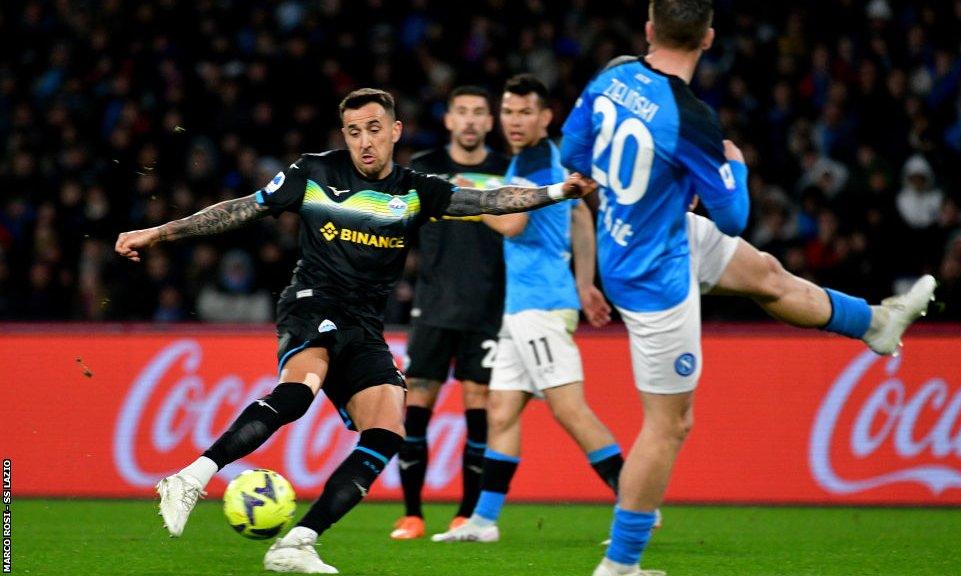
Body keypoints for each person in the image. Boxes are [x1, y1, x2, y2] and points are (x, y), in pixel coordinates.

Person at [114, 87, 596, 574]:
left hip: (365, 324)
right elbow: (239, 209)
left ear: (395, 131)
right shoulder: (315, 172)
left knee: (388, 430)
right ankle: (191, 478)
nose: (364, 141)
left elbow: (489, 200)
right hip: (312, 302)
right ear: (343, 135)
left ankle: (297, 542)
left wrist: (557, 191)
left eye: (373, 129)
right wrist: (157, 233)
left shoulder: (415, 190)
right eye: (353, 132)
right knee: (300, 391)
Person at [558, 2, 937, 575]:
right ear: (709, 38)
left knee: (766, 274)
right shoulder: (693, 120)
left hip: (653, 235)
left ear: (648, 29)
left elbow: (574, 158)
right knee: (669, 426)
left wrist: (641, 192)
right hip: (653, 277)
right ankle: (619, 566)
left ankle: (877, 325)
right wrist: (734, 163)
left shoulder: (611, 78)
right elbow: (733, 213)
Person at [431, 74, 624, 543]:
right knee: (501, 412)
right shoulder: (540, 159)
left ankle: (636, 502)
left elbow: (513, 223)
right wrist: (584, 283)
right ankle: (483, 521)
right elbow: (580, 214)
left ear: (544, 117)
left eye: (524, 113)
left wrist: (467, 201)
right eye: (509, 112)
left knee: (570, 410)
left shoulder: (536, 164)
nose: (515, 121)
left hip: (539, 305)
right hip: (525, 306)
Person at [390, 85, 510, 540]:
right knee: (417, 405)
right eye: (462, 112)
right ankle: (412, 514)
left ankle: (465, 514)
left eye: (479, 112)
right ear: (449, 120)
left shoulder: (505, 171)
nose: (471, 120)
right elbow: (398, 229)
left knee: (478, 408)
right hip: (433, 306)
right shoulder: (424, 170)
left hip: (487, 307)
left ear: (489, 121)